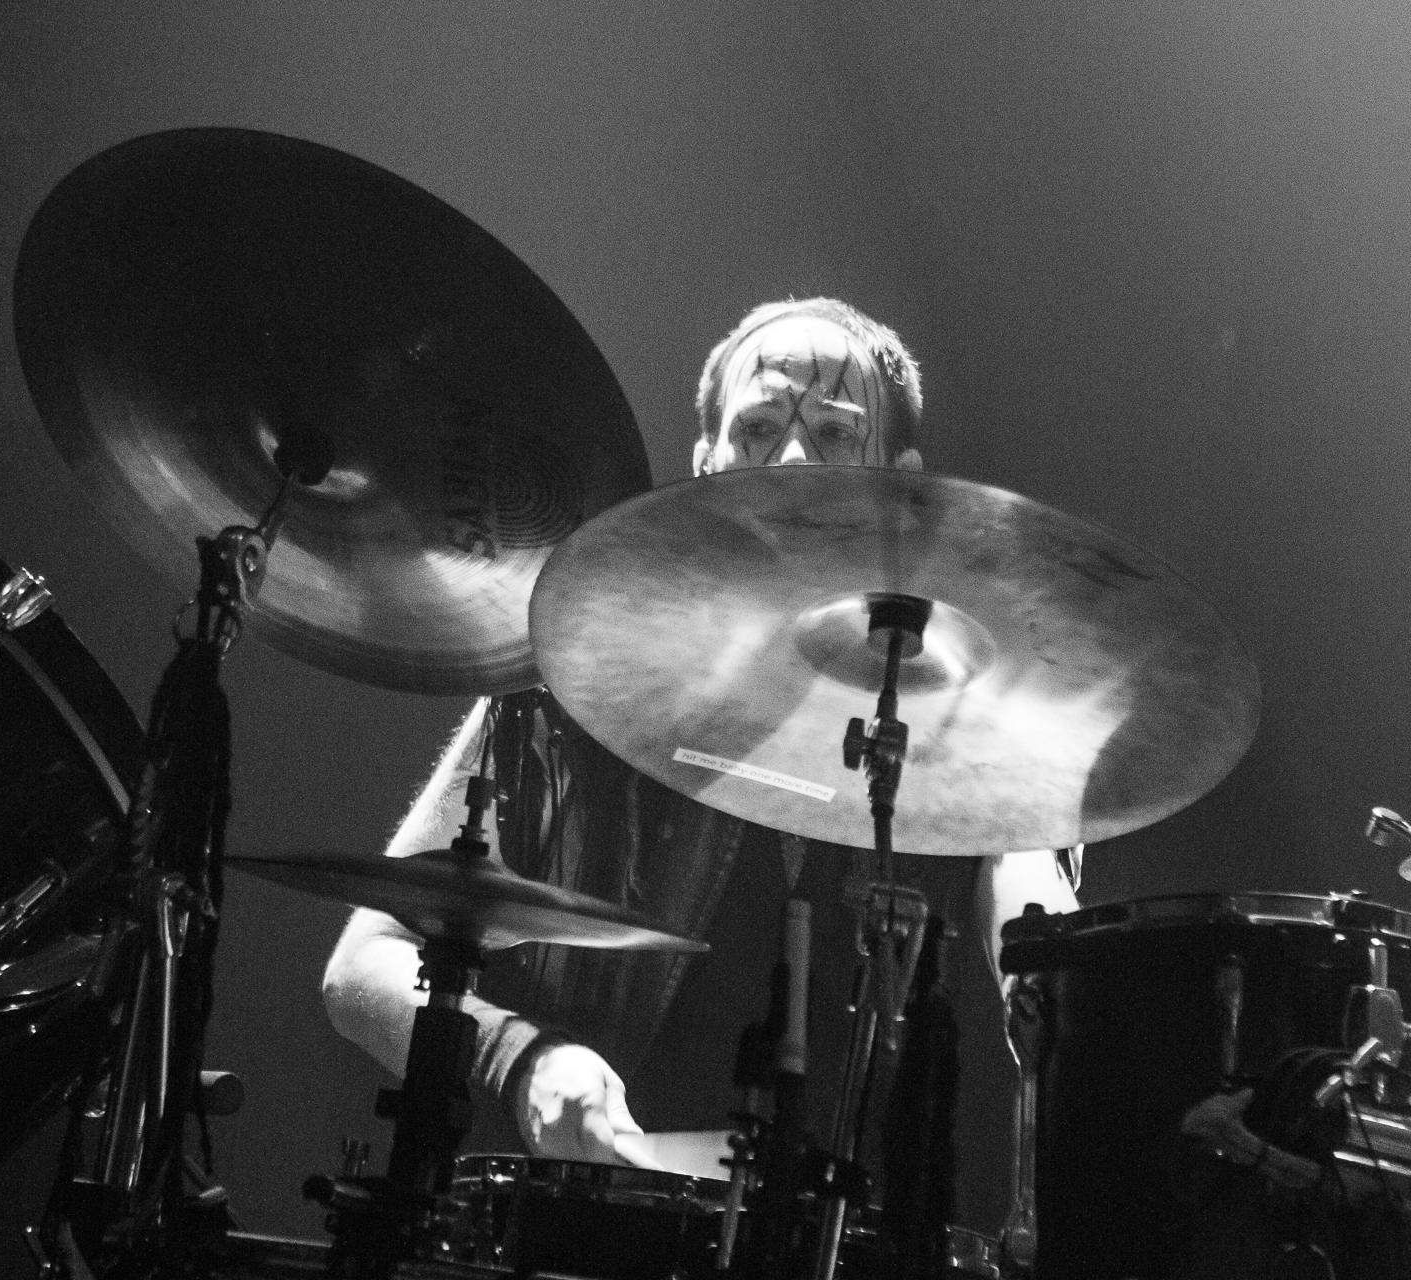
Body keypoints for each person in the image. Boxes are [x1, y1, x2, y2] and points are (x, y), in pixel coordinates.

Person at [321, 298, 1081, 1199]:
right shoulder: (586, 675)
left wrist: (1051, 964)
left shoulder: (966, 718)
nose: (791, 461)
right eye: (757, 428)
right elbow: (361, 965)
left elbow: (1039, 934)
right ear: (707, 463)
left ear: (900, 479)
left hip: (852, 1236)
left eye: (836, 434)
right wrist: (518, 1062)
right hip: (591, 1222)